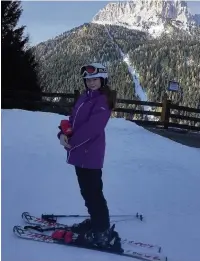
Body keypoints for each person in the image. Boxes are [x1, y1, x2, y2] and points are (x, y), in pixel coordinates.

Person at [57, 63, 121, 249]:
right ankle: (95, 221)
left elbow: (92, 129)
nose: (91, 83)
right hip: (79, 153)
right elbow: (72, 121)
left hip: (90, 153)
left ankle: (102, 230)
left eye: (95, 79)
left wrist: (72, 142)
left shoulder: (102, 101)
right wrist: (62, 134)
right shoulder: (84, 97)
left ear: (103, 80)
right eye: (88, 80)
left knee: (93, 193)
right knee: (87, 192)